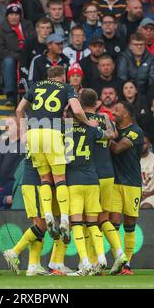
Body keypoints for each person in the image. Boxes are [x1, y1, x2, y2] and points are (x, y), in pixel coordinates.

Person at [16, 65, 96, 244]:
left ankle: (48, 215)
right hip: (52, 132)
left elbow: (19, 109)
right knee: (59, 179)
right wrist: (87, 122)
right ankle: (65, 218)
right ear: (62, 78)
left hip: (34, 133)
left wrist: (23, 133)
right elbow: (76, 110)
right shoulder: (67, 88)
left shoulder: (35, 86)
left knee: (44, 178)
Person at [63, 88, 117, 276]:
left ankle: (85, 263)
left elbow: (64, 155)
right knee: (95, 223)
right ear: (95, 102)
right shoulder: (93, 127)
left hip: (74, 181)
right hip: (93, 179)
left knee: (77, 223)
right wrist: (105, 120)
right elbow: (111, 135)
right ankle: (102, 258)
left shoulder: (66, 128)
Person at [109, 101, 145, 275]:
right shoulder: (113, 130)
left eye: (116, 109)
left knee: (129, 224)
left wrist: (103, 135)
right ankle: (119, 259)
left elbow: (116, 149)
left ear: (125, 114)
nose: (112, 112)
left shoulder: (136, 131)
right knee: (114, 223)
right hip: (114, 183)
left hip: (131, 183)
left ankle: (127, 264)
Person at [0, 2, 34, 106]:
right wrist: (16, 55)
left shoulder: (28, 25)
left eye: (16, 15)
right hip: (11, 56)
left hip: (28, 55)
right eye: (11, 14)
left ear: (20, 16)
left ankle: (33, 93)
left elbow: (33, 41)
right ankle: (10, 95)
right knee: (8, 62)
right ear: (7, 16)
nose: (14, 17)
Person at [117, 33, 154, 104]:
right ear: (130, 46)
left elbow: (152, 81)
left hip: (146, 97)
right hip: (127, 97)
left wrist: (146, 99)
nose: (139, 47)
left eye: (142, 44)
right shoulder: (123, 58)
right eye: (136, 45)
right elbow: (122, 79)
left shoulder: (151, 58)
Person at [0, 116, 24, 188]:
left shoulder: (23, 146)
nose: (7, 126)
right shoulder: (1, 145)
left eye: (10, 124)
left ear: (19, 127)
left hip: (13, 188)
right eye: (6, 124)